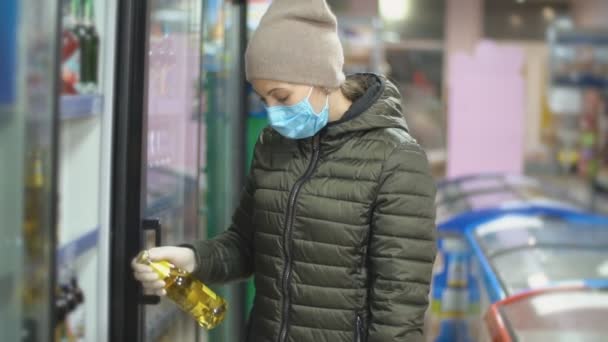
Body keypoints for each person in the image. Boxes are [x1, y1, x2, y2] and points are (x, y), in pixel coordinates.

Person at [132, 0, 437, 341]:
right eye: (265, 100)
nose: (273, 114)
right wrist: (193, 258)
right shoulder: (272, 145)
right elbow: (246, 245)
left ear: (322, 78)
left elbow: (399, 308)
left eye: (281, 96)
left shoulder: (396, 158)